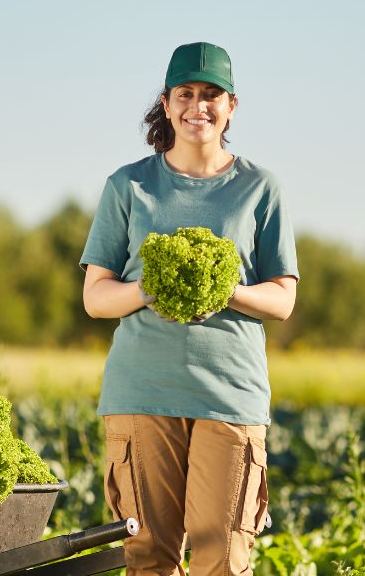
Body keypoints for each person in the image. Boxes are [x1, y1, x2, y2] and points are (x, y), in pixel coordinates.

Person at [79, 41, 299, 575]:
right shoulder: (128, 185)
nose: (197, 106)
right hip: (141, 392)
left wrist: (227, 291)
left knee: (222, 558)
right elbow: (96, 297)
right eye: (185, 93)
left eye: (211, 95)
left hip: (230, 395)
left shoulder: (259, 188)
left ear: (231, 106)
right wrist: (147, 289)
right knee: (148, 557)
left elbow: (283, 298)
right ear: (166, 102)